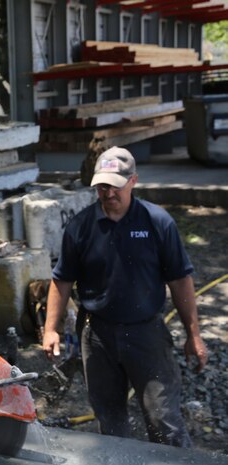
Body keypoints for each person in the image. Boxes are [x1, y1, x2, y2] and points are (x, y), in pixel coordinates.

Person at [42, 146, 208, 447]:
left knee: (163, 419)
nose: (108, 193)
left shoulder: (157, 223)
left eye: (115, 185)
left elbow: (180, 279)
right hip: (97, 335)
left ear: (133, 181)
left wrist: (193, 335)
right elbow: (62, 280)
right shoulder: (80, 227)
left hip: (146, 333)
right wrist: (51, 329)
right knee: (109, 417)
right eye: (102, 186)